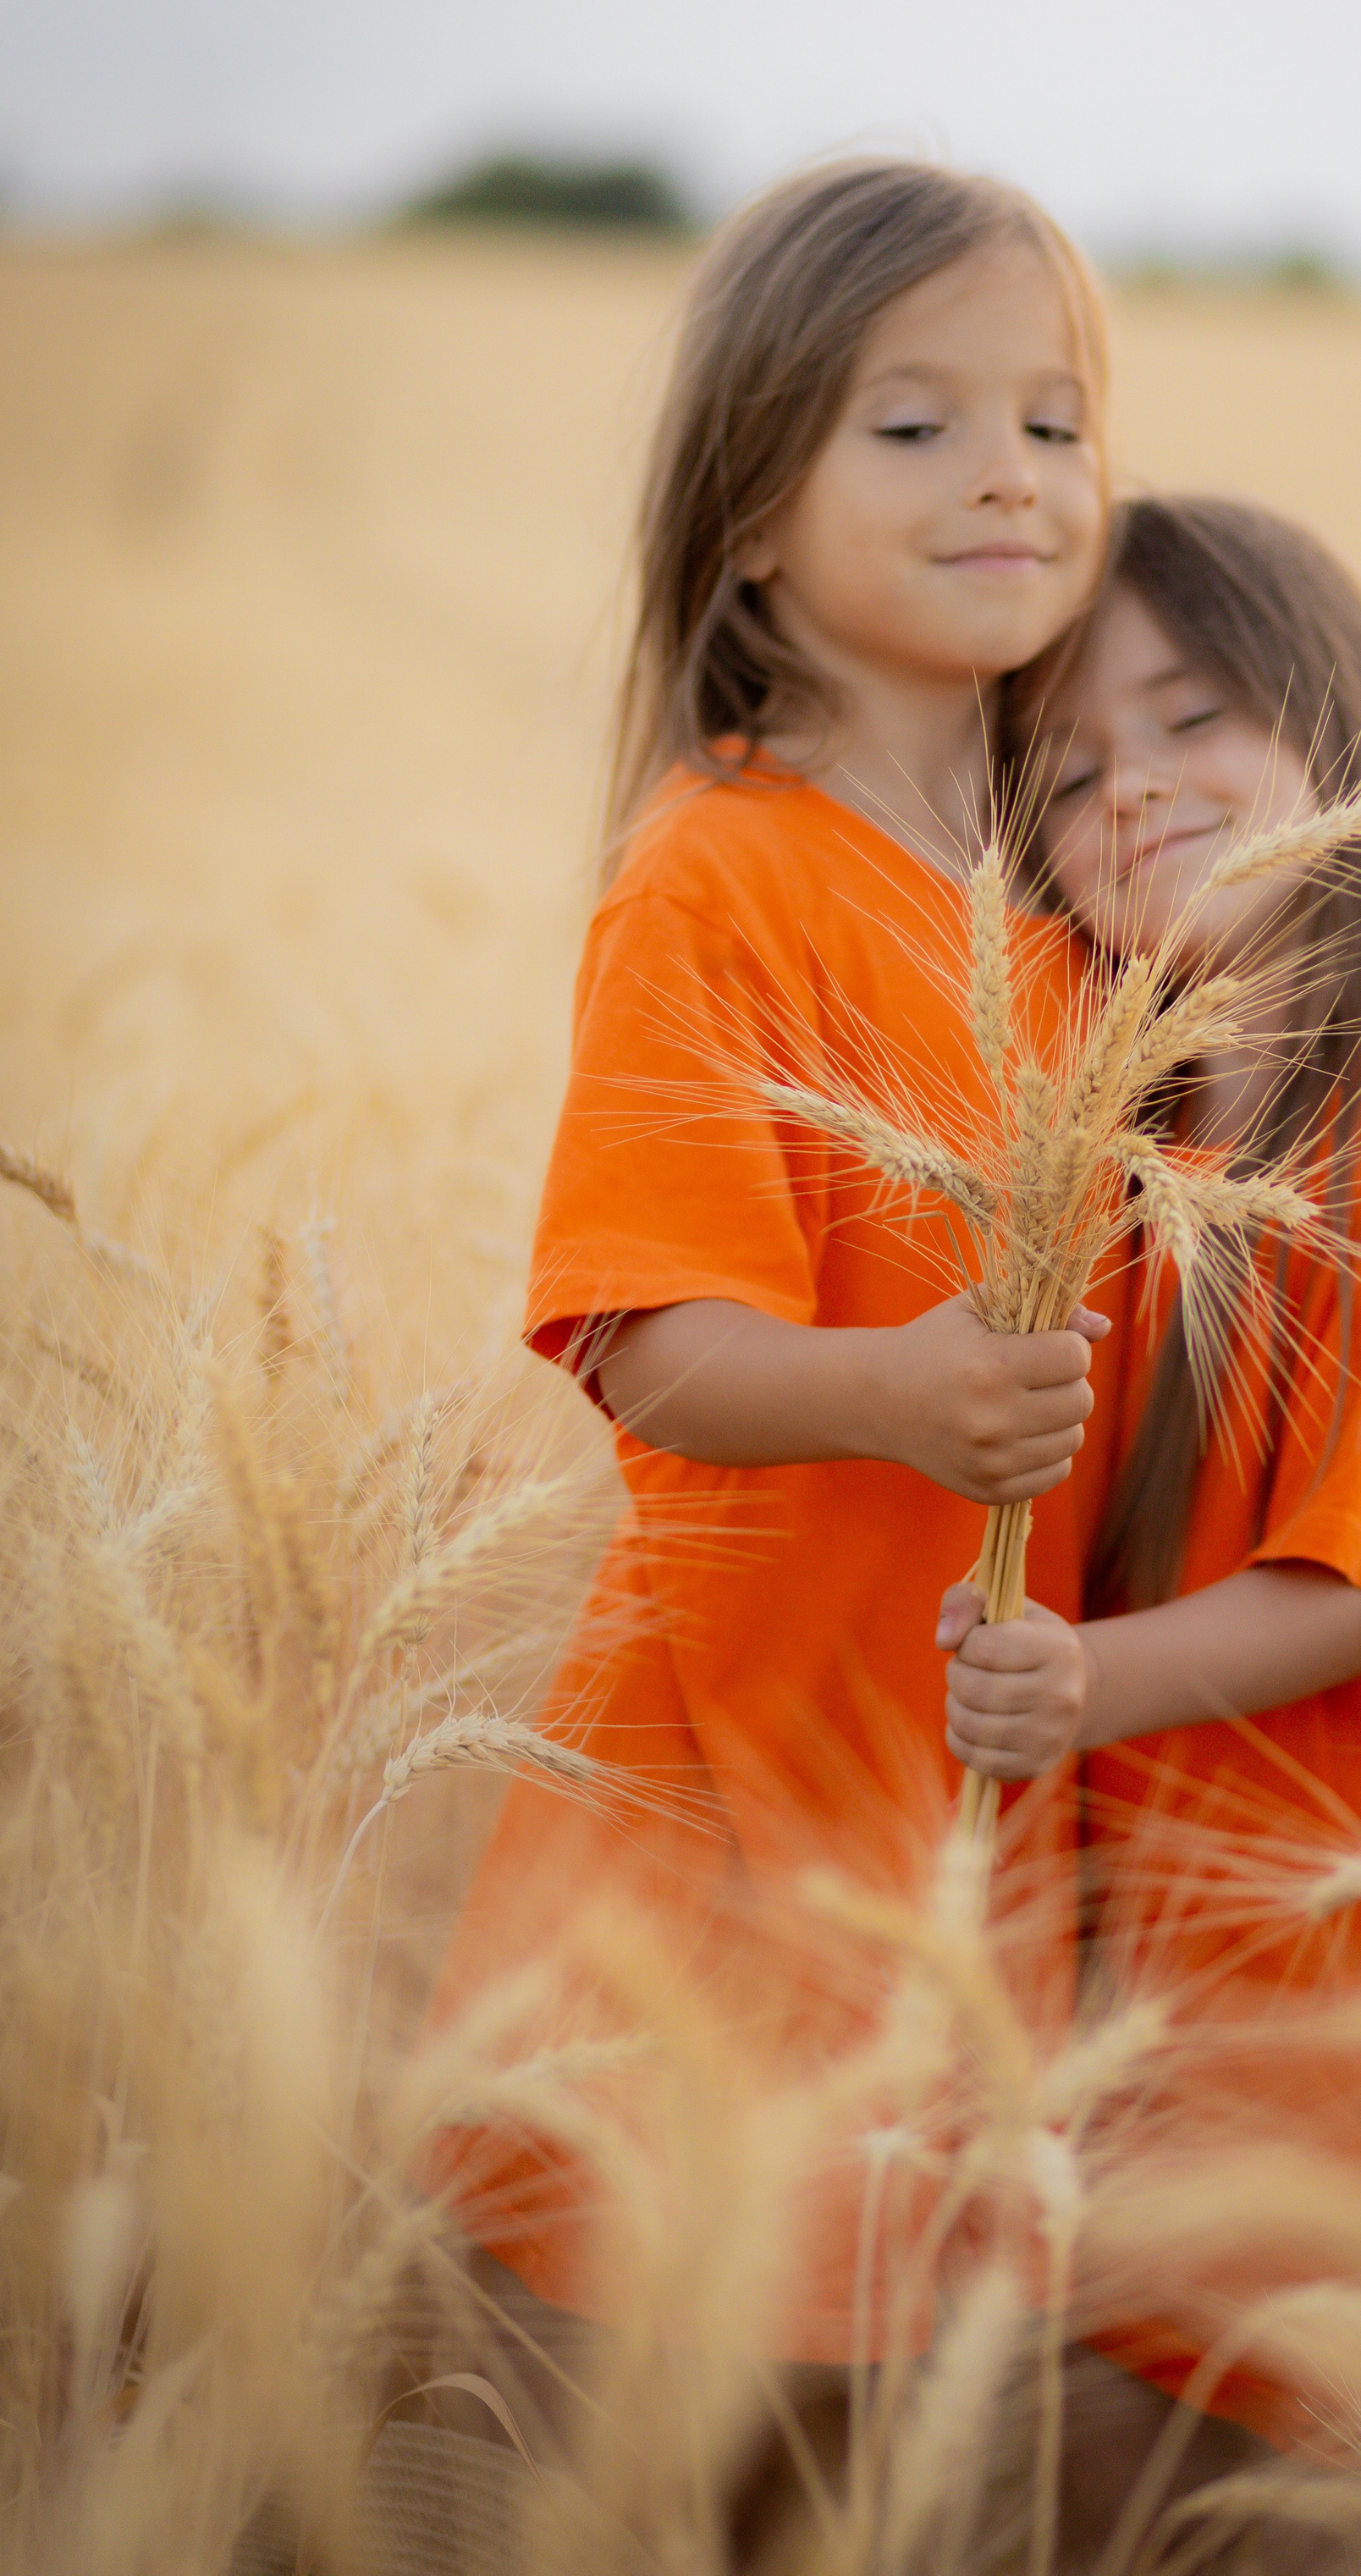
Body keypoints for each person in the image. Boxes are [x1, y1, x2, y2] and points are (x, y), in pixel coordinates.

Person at [424, 158, 1121, 2388]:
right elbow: (648, 1341)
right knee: (597, 2418)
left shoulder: (1076, 909)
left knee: (873, 2440)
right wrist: (897, 1392)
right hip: (718, 1816)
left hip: (961, 1808)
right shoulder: (719, 872)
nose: (1008, 472)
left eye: (1055, 418)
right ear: (746, 514)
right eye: (912, 426)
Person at [936, 494, 1361, 2483]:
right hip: (1149, 2036)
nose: (1130, 791)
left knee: (1308, 2492)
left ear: (1341, 730)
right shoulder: (1118, 1140)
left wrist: (1069, 1687)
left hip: (1352, 2042)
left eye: (1192, 714)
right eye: (1062, 772)